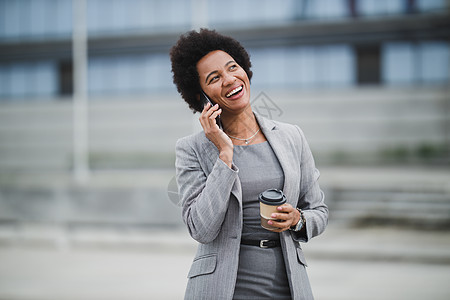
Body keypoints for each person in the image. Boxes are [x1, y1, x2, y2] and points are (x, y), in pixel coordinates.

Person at [170, 28, 328, 300]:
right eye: (214, 78)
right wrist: (224, 154)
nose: (230, 79)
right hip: (225, 288)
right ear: (201, 97)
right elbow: (201, 228)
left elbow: (319, 211)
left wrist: (298, 219)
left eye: (233, 67)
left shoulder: (292, 136)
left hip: (288, 284)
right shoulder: (191, 149)